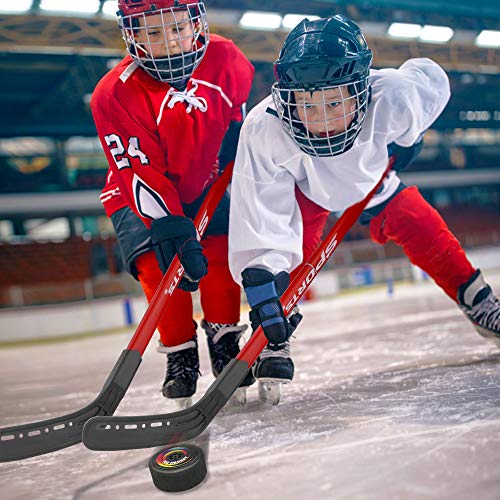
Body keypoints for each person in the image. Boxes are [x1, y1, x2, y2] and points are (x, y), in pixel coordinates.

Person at [228, 15, 500, 396]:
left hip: (369, 178)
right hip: (305, 187)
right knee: (290, 260)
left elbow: (431, 80)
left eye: (334, 103)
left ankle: (479, 302)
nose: (322, 121)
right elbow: (261, 217)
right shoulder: (264, 128)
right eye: (308, 105)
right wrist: (263, 296)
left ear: (361, 90)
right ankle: (272, 332)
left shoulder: (392, 95)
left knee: (422, 223)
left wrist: (410, 134)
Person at [92, 0, 255, 405]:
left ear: (196, 23)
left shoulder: (226, 57)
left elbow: (235, 114)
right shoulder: (113, 94)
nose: (167, 41)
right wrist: (168, 223)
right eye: (151, 32)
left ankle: (224, 340)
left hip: (204, 176)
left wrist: (236, 139)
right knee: (158, 263)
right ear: (132, 35)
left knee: (218, 254)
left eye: (177, 28)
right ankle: (180, 353)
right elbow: (138, 171)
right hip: (138, 186)